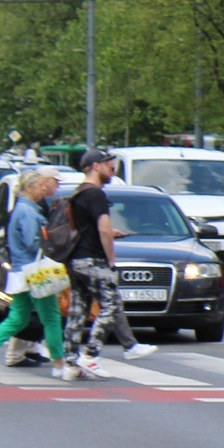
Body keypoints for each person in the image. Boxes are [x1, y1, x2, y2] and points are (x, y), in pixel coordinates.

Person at [0, 170, 76, 381]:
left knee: (18, 318)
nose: (43, 189)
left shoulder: (21, 208)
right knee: (52, 318)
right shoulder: (27, 211)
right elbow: (32, 242)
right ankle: (59, 364)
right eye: (40, 186)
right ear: (30, 187)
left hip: (20, 273)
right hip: (34, 272)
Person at [62, 148, 156, 377]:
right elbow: (102, 229)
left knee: (78, 310)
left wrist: (106, 232)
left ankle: (71, 363)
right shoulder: (96, 195)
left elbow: (87, 228)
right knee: (112, 304)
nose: (112, 170)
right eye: (109, 165)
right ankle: (91, 355)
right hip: (93, 260)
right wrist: (110, 260)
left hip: (75, 260)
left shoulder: (78, 193)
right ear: (96, 166)